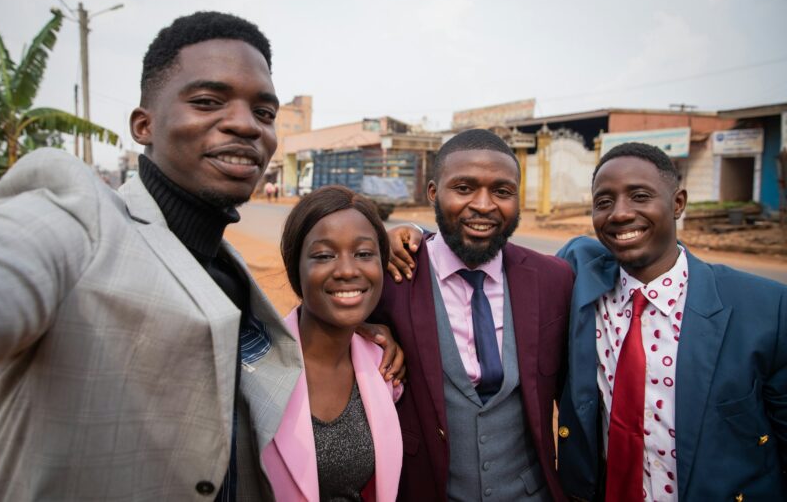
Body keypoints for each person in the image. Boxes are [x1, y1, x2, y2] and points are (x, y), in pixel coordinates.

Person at [0, 11, 401, 500]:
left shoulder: (231, 275)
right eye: (208, 102)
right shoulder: (80, 215)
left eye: (264, 113)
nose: (246, 125)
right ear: (144, 124)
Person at [554, 142, 787, 501]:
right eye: (604, 202)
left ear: (677, 203)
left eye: (640, 196)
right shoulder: (581, 282)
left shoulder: (764, 308)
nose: (619, 213)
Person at [371, 129, 574, 501]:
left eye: (502, 191)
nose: (483, 205)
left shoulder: (554, 280)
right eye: (463, 188)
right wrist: (371, 332)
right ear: (433, 192)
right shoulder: (392, 276)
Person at [262, 185, 402, 501]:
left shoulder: (383, 366)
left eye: (364, 254)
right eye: (324, 255)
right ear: (294, 266)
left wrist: (417, 230)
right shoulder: (252, 367)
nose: (348, 270)